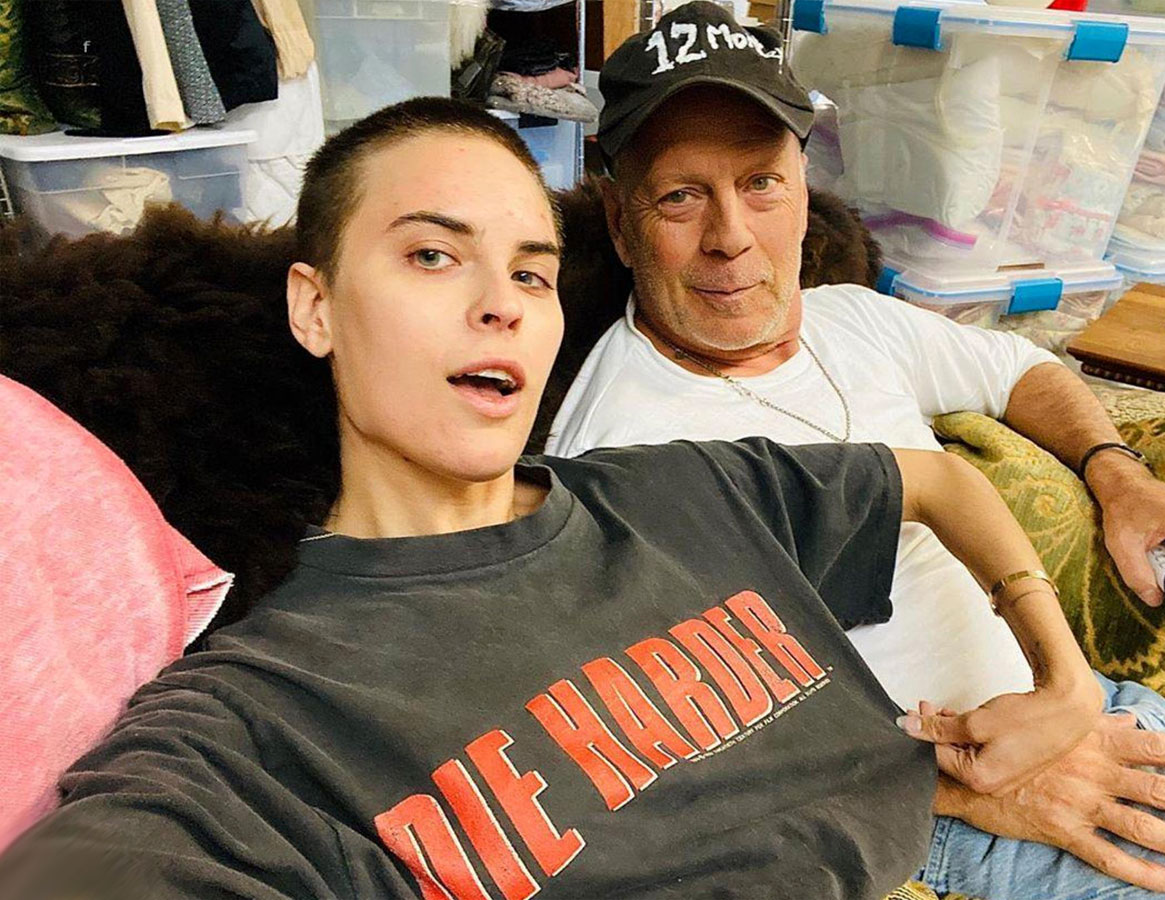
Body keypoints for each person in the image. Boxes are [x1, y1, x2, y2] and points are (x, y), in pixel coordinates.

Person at [0, 97, 1103, 900]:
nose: (503, 305)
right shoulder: (267, 708)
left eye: (531, 271)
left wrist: (1062, 680)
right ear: (316, 307)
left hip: (1075, 766)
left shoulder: (672, 485)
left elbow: (938, 478)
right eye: (434, 256)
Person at [546, 3, 1165, 897]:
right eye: (680, 197)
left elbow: (1021, 370)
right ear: (622, 226)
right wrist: (971, 792)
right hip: (953, 800)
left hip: (1088, 707)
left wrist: (1117, 476)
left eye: (761, 183)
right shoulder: (615, 450)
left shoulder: (852, 317)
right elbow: (665, 754)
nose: (731, 235)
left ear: (802, 190)